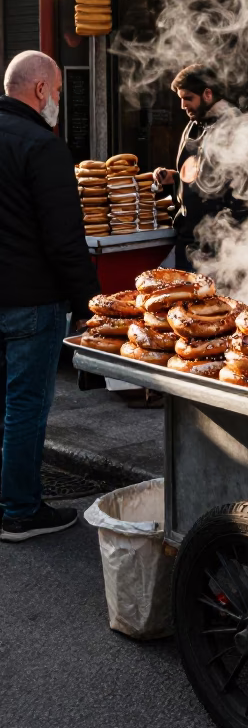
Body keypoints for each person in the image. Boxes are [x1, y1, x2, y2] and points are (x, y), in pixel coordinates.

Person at [0, 51, 100, 542]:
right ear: (40, 90)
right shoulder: (42, 145)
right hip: (30, 300)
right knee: (24, 405)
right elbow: (65, 238)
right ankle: (19, 510)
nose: (58, 100)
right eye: (58, 91)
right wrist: (90, 305)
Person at [154, 64, 247, 271]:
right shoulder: (193, 125)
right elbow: (203, 177)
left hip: (218, 244)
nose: (182, 105)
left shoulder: (235, 127)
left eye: (188, 98)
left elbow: (240, 189)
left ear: (207, 94)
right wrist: (175, 178)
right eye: (180, 99)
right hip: (189, 237)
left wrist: (228, 239)